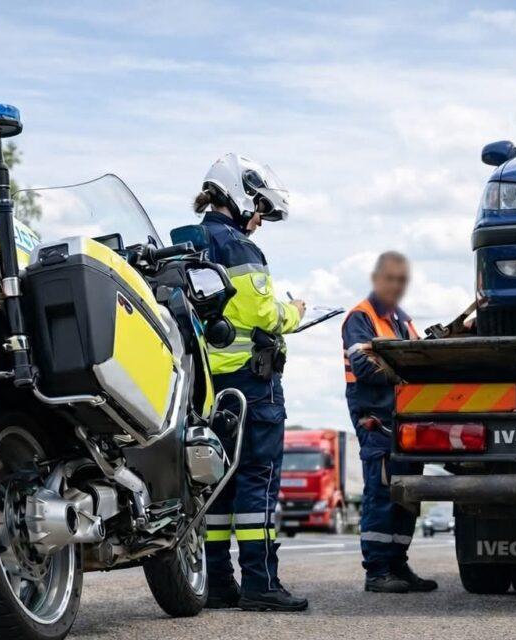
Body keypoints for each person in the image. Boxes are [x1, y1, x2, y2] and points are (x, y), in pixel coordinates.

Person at [195, 153, 308, 612]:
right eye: (258, 209)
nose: (259, 220)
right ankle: (262, 583)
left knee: (217, 484)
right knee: (258, 482)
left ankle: (219, 582)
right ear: (239, 196)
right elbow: (263, 314)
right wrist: (295, 310)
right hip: (253, 385)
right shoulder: (238, 246)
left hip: (207, 388)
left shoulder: (188, 242)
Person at [341, 251, 439, 593]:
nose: (396, 286)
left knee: (407, 495)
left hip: (404, 418)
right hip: (377, 419)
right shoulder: (360, 317)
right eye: (390, 279)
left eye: (401, 280)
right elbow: (366, 367)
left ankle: (397, 562)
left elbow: (418, 356)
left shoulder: (401, 319)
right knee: (382, 494)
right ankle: (377, 570)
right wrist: (404, 376)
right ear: (377, 279)